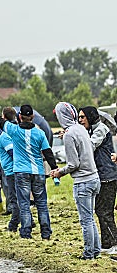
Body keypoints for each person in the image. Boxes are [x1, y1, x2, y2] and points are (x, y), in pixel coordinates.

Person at [0, 94, 57, 240]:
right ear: (33, 116)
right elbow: (48, 153)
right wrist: (54, 168)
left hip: (21, 172)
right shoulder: (40, 133)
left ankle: (26, 232)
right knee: (41, 203)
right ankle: (46, 233)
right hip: (38, 171)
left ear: (20, 116)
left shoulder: (13, 130)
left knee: (23, 203)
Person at [51, 102, 101, 260]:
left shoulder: (69, 134)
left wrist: (59, 172)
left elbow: (74, 164)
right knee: (90, 218)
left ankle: (88, 254)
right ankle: (96, 250)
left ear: (61, 116)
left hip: (83, 182)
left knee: (85, 220)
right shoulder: (80, 128)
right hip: (94, 178)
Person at [78, 106, 117, 254]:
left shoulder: (101, 129)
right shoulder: (91, 130)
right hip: (101, 175)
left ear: (90, 116)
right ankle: (106, 244)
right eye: (79, 117)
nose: (80, 120)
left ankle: (115, 242)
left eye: (83, 117)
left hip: (108, 176)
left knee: (105, 211)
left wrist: (76, 137)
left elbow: (90, 145)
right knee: (100, 211)